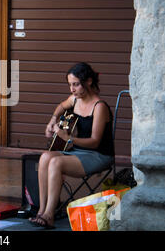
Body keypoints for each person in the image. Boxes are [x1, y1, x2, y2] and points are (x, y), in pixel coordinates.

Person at [29, 62, 114, 229]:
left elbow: (95, 141)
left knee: (56, 162)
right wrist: (52, 121)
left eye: (75, 84)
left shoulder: (99, 107)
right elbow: (61, 106)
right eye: (70, 85)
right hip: (77, 152)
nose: (72, 89)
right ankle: (41, 210)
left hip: (98, 154)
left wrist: (68, 139)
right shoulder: (74, 100)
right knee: (45, 156)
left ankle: (50, 214)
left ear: (88, 81)